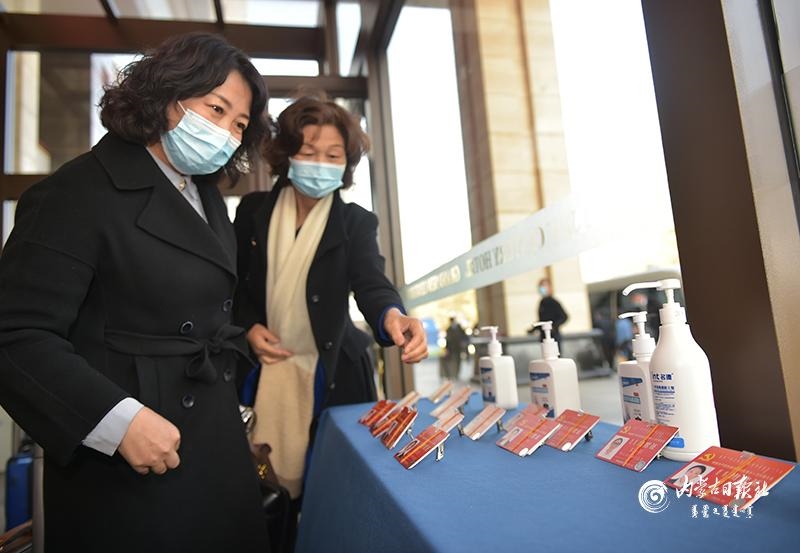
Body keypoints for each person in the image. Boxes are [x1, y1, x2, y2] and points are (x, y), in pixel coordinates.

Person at [0, 33, 271, 552]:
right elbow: (15, 334)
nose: (226, 132)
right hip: (128, 467)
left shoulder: (206, 196)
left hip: (213, 445)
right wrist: (117, 421)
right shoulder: (76, 192)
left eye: (239, 124)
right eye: (216, 109)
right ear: (166, 95)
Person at [233, 95, 428, 501]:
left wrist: (392, 315)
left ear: (346, 164)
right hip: (262, 368)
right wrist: (248, 327)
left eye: (333, 155)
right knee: (259, 486)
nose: (320, 163)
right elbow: (233, 285)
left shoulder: (355, 222)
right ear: (287, 155)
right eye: (308, 152)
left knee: (333, 491)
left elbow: (371, 282)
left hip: (335, 373)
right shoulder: (252, 212)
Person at [528, 277, 569, 342]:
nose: (542, 288)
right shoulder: (542, 302)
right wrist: (534, 329)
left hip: (553, 337)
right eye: (540, 286)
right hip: (544, 336)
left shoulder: (553, 302)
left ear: (550, 287)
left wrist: (553, 326)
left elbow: (564, 316)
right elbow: (543, 320)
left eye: (544, 286)